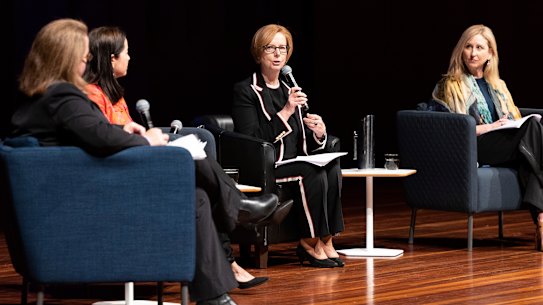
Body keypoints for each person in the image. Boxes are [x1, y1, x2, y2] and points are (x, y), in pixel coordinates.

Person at [11, 18, 279, 305]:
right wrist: (147, 140)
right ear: (65, 57)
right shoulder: (62, 95)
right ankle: (236, 206)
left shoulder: (44, 97)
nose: (86, 59)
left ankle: (214, 295)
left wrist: (123, 130)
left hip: (77, 194)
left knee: (197, 197)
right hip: (85, 201)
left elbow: (92, 132)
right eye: (82, 54)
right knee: (182, 156)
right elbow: (100, 138)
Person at [83, 25, 269, 289]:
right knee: (189, 154)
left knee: (200, 162)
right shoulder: (92, 94)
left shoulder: (114, 94)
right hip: (123, 176)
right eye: (127, 52)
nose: (130, 58)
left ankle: (231, 250)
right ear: (112, 58)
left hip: (136, 165)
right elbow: (106, 140)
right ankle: (237, 206)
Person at [231, 24, 345, 268]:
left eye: (282, 48)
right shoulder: (246, 90)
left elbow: (302, 138)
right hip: (268, 166)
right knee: (308, 171)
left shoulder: (289, 88)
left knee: (332, 166)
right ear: (259, 53)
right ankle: (309, 242)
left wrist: (319, 133)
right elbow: (250, 139)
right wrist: (286, 111)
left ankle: (327, 239)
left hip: (295, 160)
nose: (277, 54)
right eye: (270, 48)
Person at [428, 24, 543, 251]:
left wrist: (509, 123)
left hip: (504, 142)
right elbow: (453, 129)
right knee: (532, 130)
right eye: (468, 47)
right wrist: (490, 127)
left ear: (490, 53)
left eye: (479, 47)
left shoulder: (498, 86)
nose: (473, 53)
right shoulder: (449, 85)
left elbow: (514, 118)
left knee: (533, 134)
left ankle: (541, 217)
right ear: (460, 51)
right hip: (476, 145)